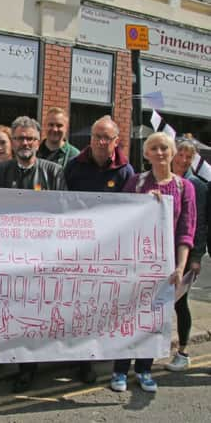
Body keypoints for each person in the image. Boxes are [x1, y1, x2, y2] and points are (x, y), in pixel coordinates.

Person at [110, 132, 196, 393]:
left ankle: (145, 370)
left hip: (165, 266)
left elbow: (186, 230)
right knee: (128, 316)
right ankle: (119, 370)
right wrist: (146, 204)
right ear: (146, 154)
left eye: (164, 148)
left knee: (153, 319)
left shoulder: (184, 187)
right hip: (135, 263)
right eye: (154, 148)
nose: (160, 153)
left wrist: (180, 266)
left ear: (172, 152)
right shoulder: (136, 183)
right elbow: (120, 217)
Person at [0, 116, 66, 392]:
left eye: (30, 139)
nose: (25, 143)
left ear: (38, 141)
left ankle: (28, 368)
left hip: (40, 257)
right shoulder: (0, 171)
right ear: (13, 141)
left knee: (34, 313)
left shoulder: (53, 171)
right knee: (6, 311)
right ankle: (0, 358)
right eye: (20, 138)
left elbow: (62, 215)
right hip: (7, 256)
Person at [64, 115, 135, 384]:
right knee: (74, 306)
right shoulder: (74, 167)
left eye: (107, 138)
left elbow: (131, 212)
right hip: (76, 250)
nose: (101, 142)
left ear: (116, 141)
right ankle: (69, 357)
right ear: (90, 139)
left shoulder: (126, 172)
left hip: (106, 253)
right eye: (97, 136)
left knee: (94, 309)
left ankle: (86, 362)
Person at [165, 139, 207, 371]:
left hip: (186, 255)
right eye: (180, 153)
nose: (182, 159)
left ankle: (183, 352)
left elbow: (199, 224)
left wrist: (196, 257)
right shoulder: (164, 180)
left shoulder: (197, 186)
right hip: (162, 253)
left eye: (188, 156)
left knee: (180, 304)